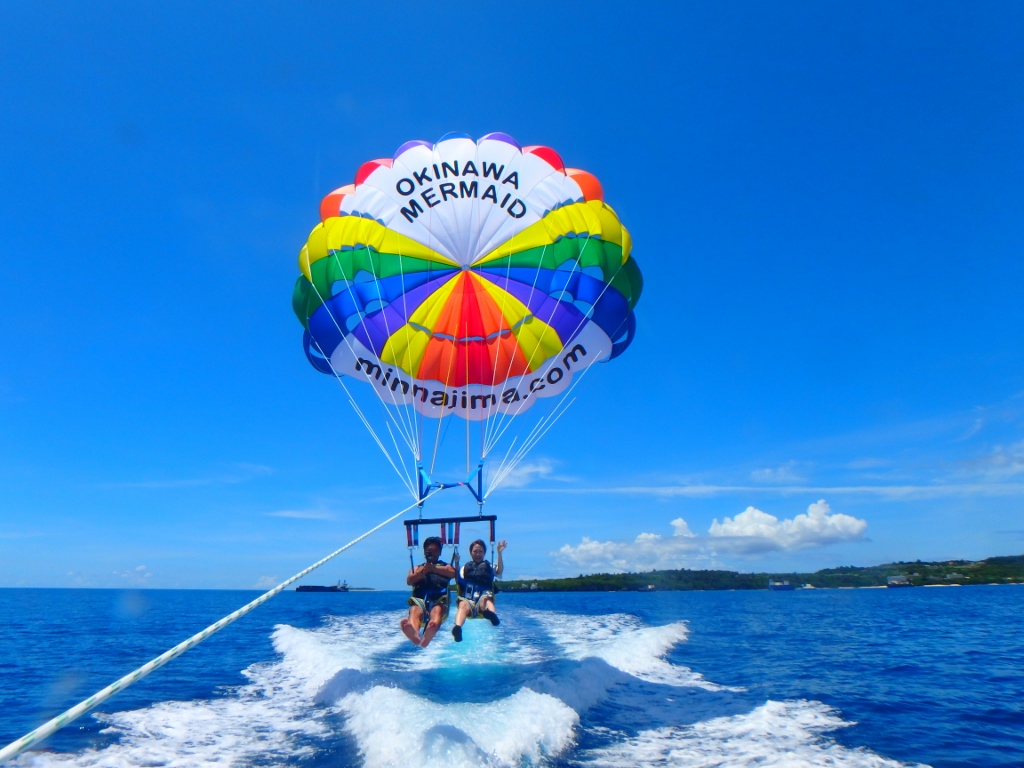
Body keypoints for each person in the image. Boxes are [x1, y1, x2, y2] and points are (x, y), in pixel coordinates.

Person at [400, 536, 456, 647]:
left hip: (439, 600)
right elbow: (409, 580)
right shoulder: (417, 568)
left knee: (437, 610)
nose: (432, 554)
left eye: (435, 551)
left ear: (440, 552)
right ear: (425, 553)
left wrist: (434, 569)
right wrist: (422, 572)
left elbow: (453, 573)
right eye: (429, 551)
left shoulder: (446, 567)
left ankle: (432, 628)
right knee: (415, 609)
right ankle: (414, 632)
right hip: (420, 601)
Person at [451, 538, 506, 642]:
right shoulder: (465, 567)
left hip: (484, 594)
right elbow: (458, 579)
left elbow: (499, 571)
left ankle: (492, 615)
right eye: (475, 551)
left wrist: (499, 553)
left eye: (480, 551)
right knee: (463, 606)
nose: (478, 554)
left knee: (486, 601)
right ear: (471, 552)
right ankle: (457, 628)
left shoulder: (489, 566)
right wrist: (456, 563)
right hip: (468, 596)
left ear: (484, 553)